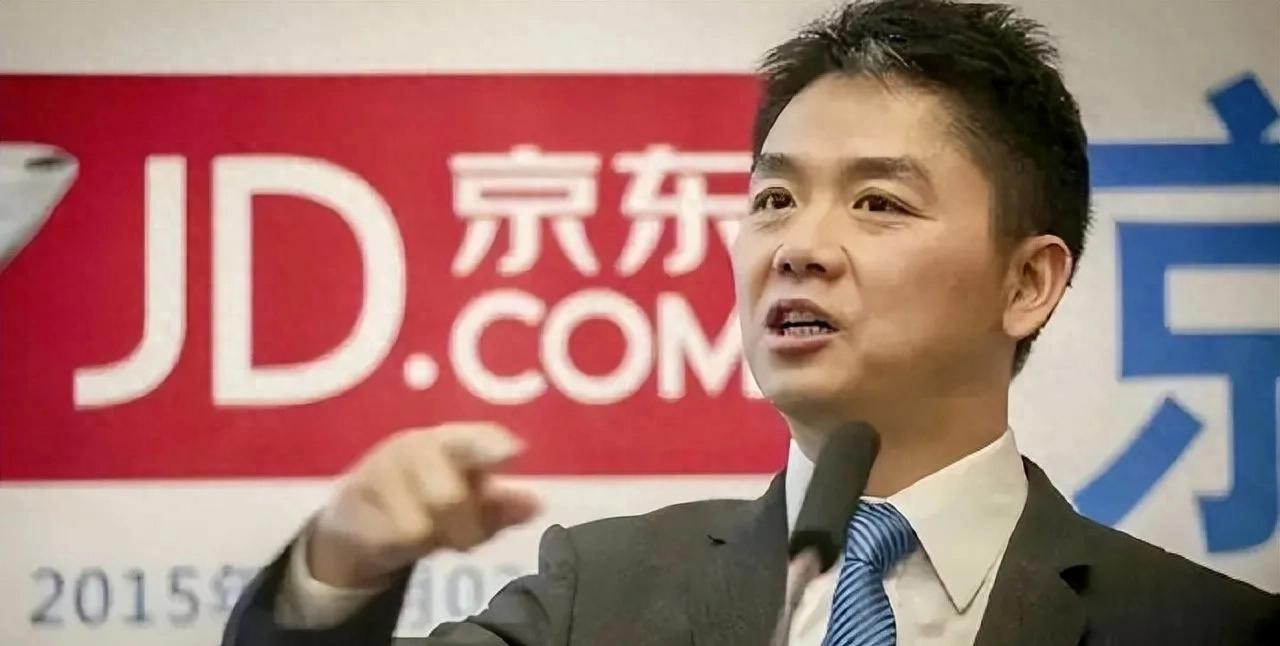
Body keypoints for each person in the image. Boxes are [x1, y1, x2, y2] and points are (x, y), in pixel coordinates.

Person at [223, 1, 1280, 644]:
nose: (798, 246)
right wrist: (340, 569)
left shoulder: (1201, 625)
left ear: (1028, 282)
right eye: (773, 198)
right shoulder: (601, 595)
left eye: (878, 202)